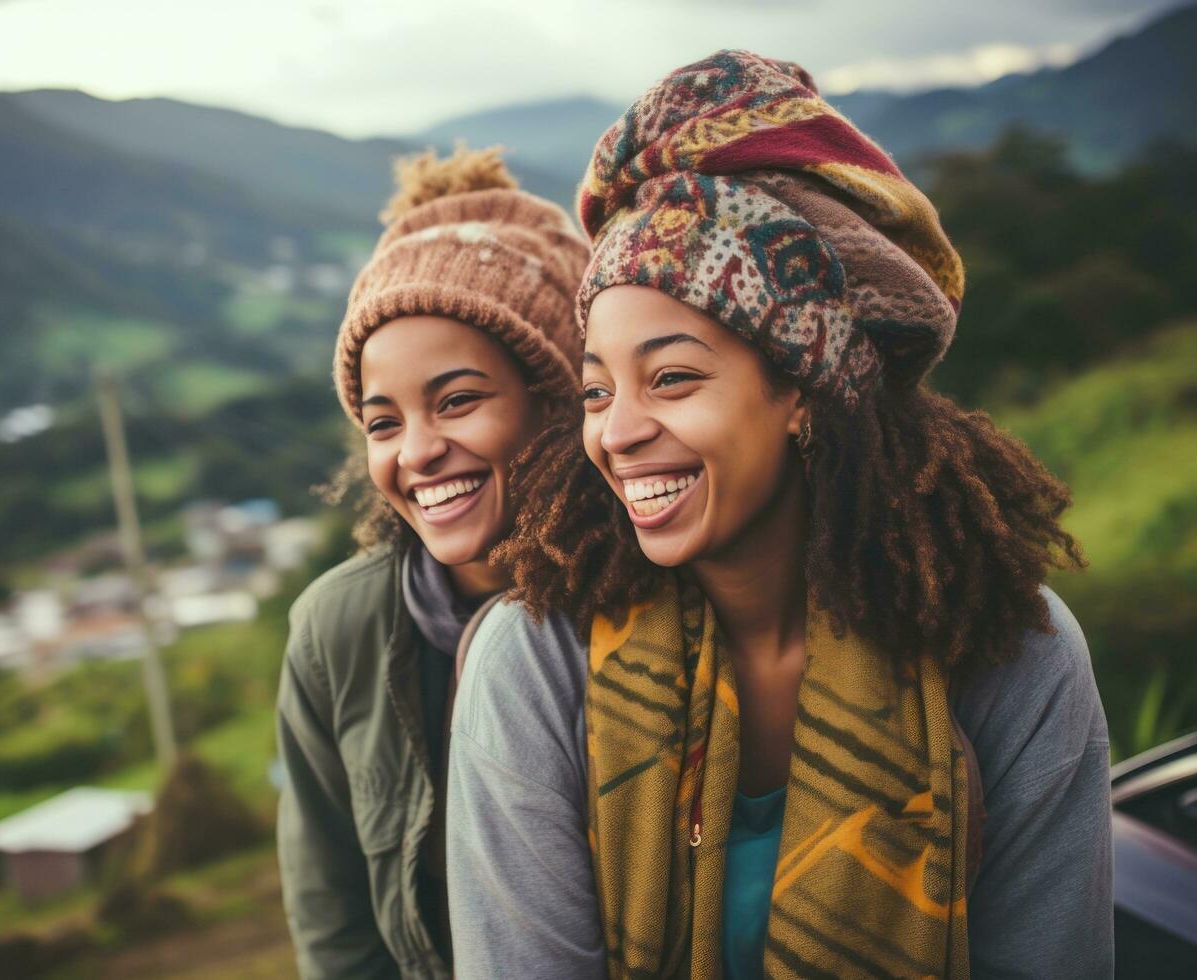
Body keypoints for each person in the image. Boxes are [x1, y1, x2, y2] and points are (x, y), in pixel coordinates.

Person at [447, 53, 1113, 979]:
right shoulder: (536, 663)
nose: (621, 432)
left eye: (672, 378)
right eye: (597, 391)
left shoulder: (1011, 654)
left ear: (802, 391)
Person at [275, 146, 588, 979]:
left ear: (554, 402)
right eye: (382, 423)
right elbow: (336, 929)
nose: (418, 452)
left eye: (456, 401)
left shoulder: (665, 592)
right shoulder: (335, 632)